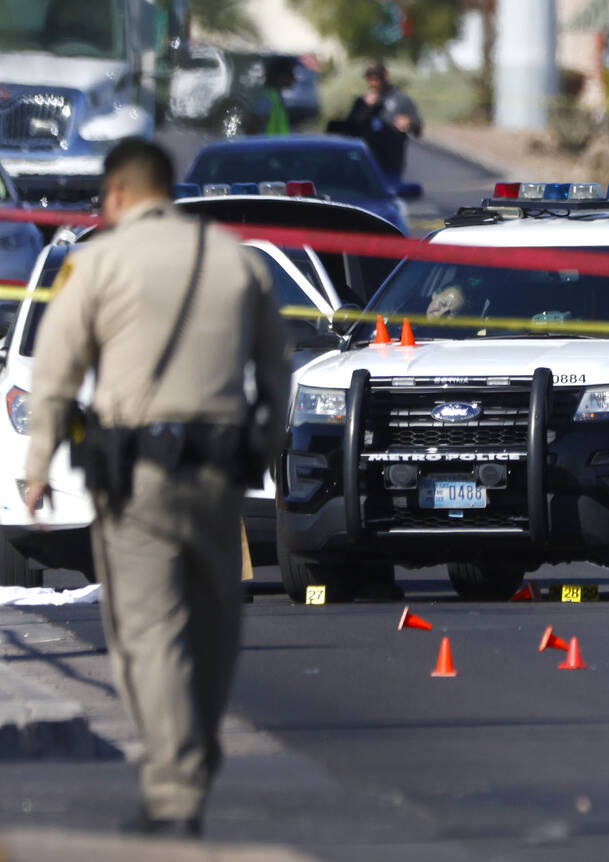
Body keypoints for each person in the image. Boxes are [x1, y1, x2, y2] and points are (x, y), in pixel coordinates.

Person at [24, 139, 290, 838]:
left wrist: (39, 462)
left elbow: (54, 369)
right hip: (218, 471)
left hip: (137, 474)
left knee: (148, 631)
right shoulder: (236, 261)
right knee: (211, 624)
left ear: (116, 193)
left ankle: (175, 788)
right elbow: (277, 368)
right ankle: (193, 752)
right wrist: (263, 446)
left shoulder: (98, 262)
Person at [346, 60, 422, 182]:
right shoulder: (361, 101)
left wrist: (409, 123)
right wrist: (368, 108)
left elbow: (418, 129)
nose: (373, 83)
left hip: (391, 164)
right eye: (370, 79)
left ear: (385, 76)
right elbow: (350, 129)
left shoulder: (401, 99)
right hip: (364, 165)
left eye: (376, 78)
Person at [261, 56, 295, 135]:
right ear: (280, 76)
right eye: (290, 73)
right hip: (267, 147)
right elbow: (253, 128)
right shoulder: (267, 99)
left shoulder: (276, 98)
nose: (293, 78)